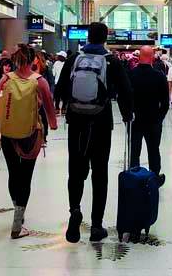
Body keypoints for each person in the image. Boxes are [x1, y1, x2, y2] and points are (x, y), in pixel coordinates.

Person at [55, 22, 133, 244]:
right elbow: (126, 91)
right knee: (100, 173)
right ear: (105, 37)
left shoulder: (74, 59)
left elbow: (60, 89)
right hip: (100, 123)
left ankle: (75, 211)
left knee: (76, 170)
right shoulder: (111, 61)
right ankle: (96, 225)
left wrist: (65, 107)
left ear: (87, 36)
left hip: (77, 122)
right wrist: (128, 115)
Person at [0, 44, 58, 239]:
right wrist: (53, 124)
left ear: (15, 61)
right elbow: (49, 109)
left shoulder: (5, 79)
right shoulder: (40, 82)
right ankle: (17, 222)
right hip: (30, 135)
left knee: (13, 173)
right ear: (33, 60)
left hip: (7, 134)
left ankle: (17, 212)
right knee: (26, 175)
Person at [127, 46, 169, 185]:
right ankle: (154, 177)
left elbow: (124, 97)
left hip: (135, 120)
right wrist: (160, 118)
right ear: (152, 57)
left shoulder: (131, 74)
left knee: (134, 150)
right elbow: (165, 102)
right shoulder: (159, 76)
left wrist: (128, 114)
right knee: (153, 150)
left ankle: (134, 176)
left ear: (139, 57)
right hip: (153, 119)